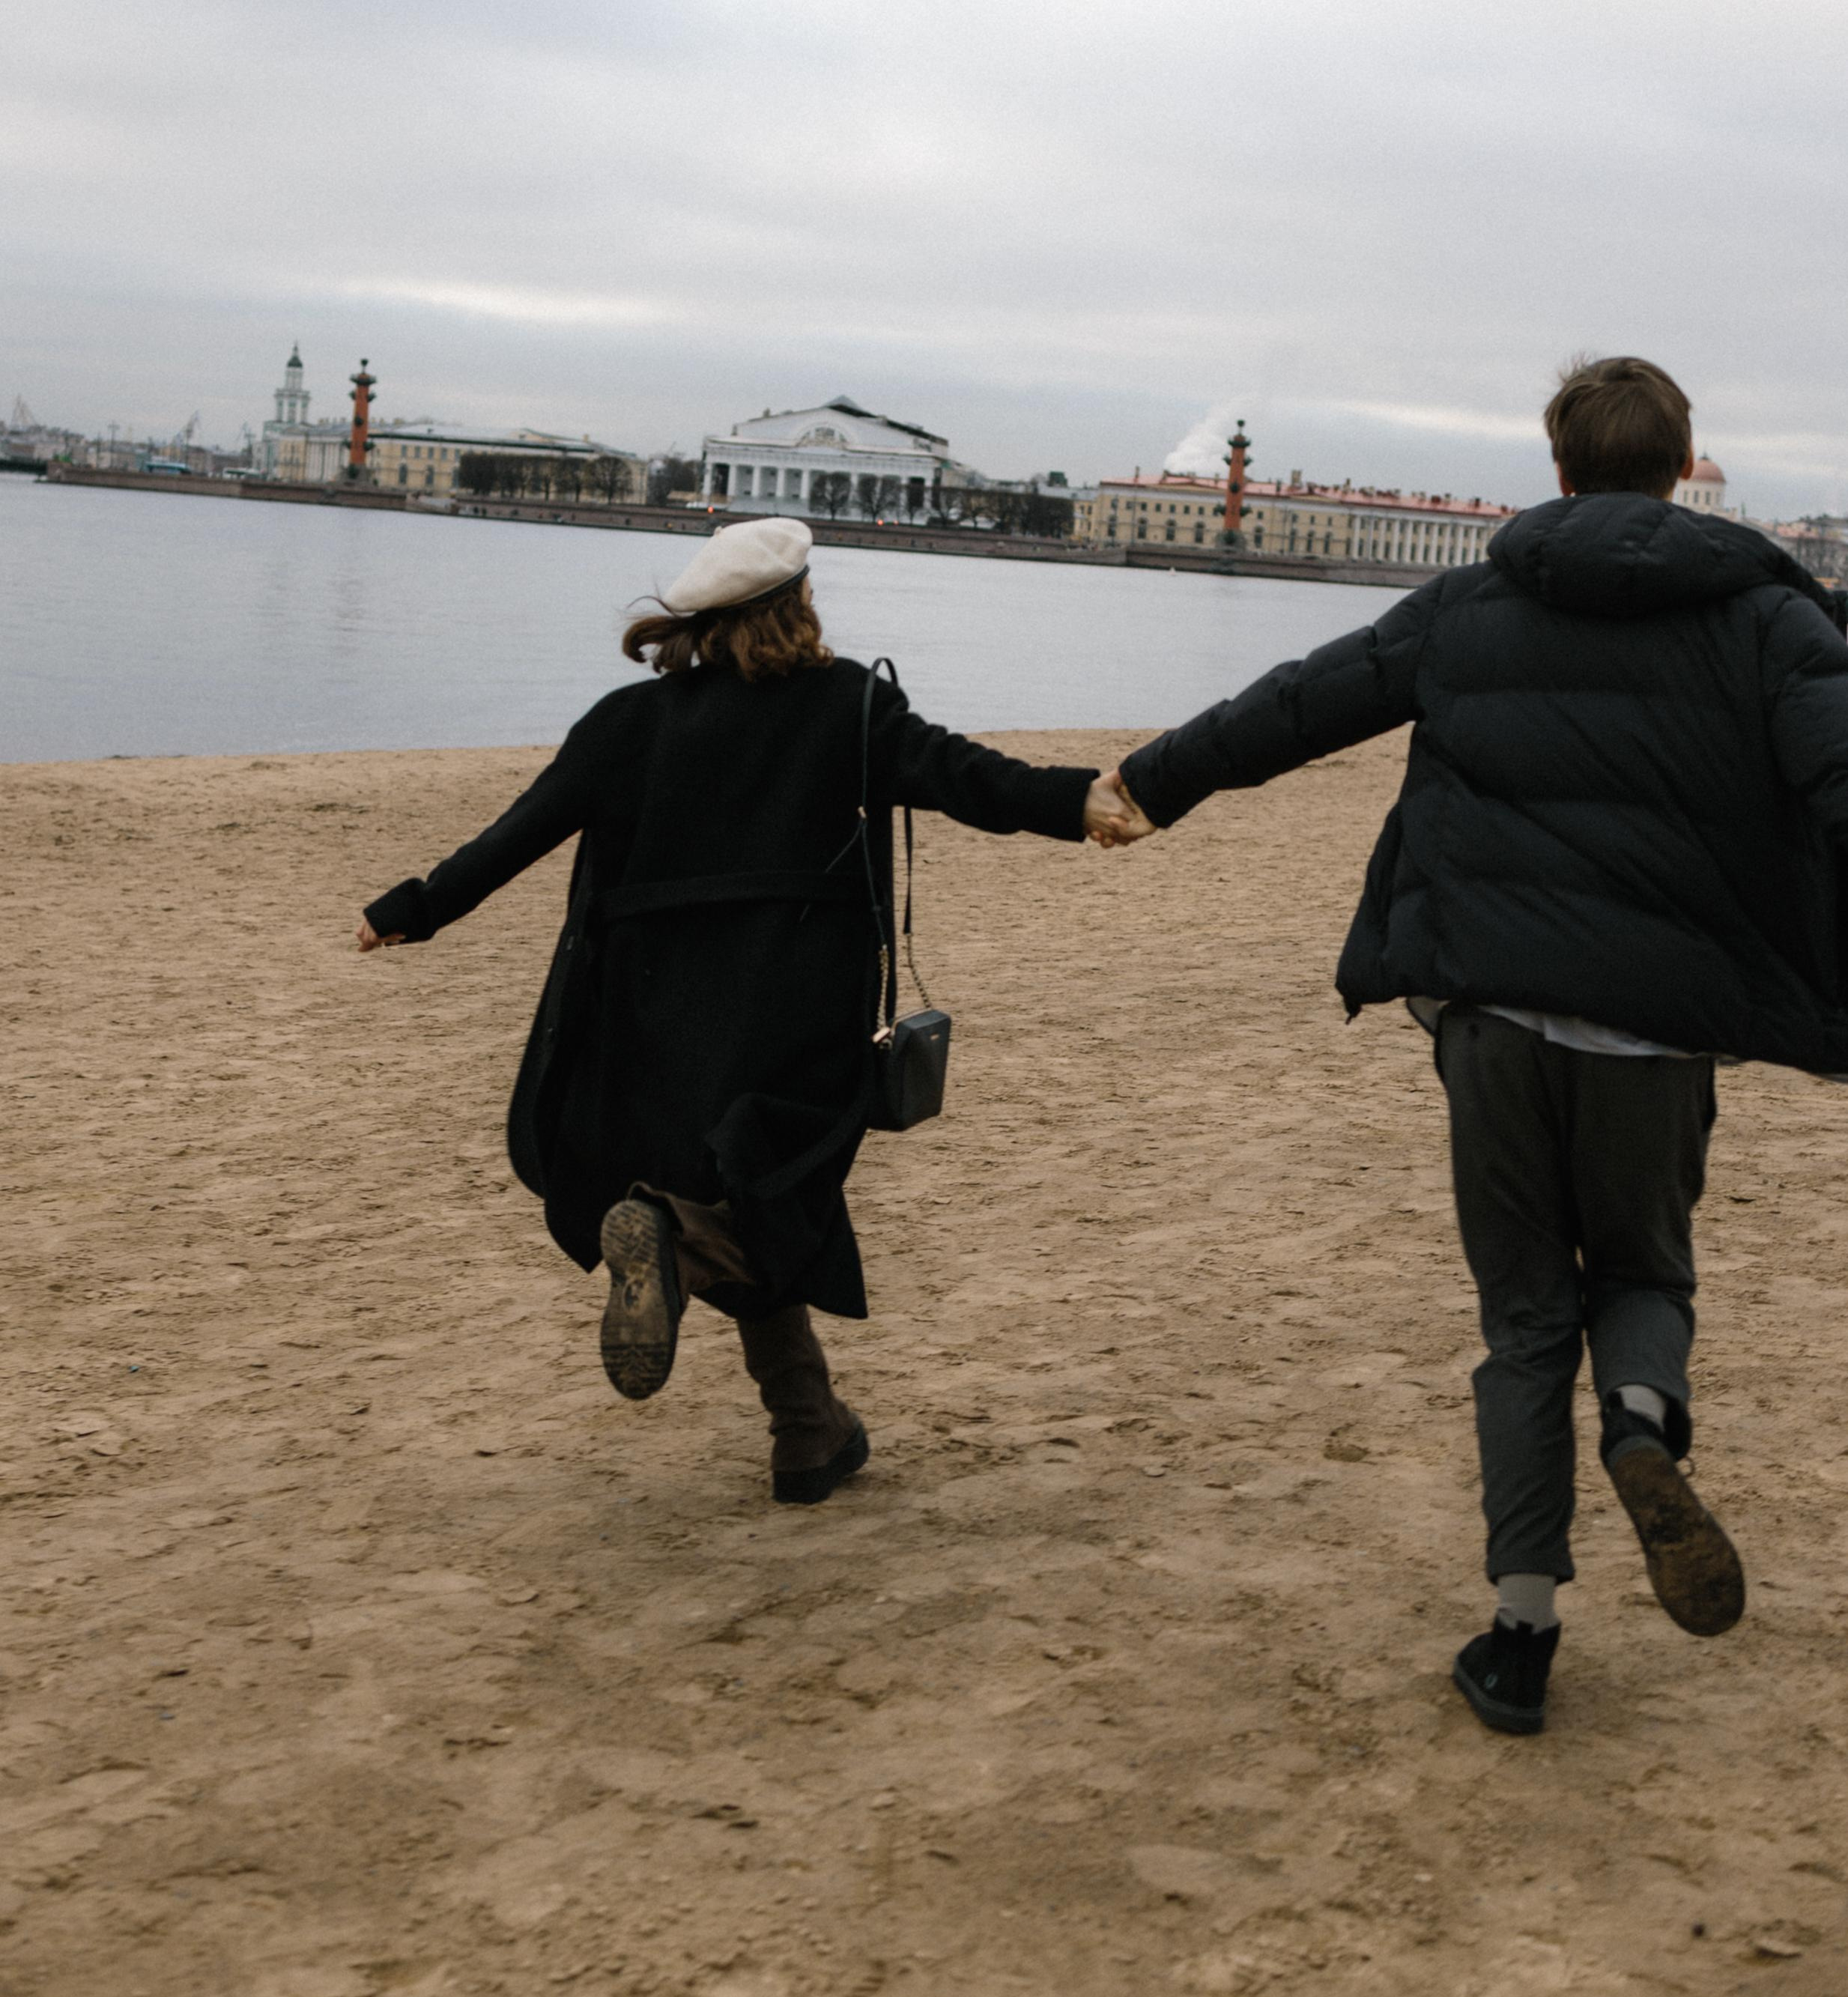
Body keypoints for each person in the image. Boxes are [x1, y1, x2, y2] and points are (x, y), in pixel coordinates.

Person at [1095, 358, 1848, 1733]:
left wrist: (1152, 780)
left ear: (1557, 467)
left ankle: (1520, 1635)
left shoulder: (1473, 602)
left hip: (1491, 1014)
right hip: (1661, 1027)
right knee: (1643, 1269)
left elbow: (1305, 701)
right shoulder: (1766, 621)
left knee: (1518, 1323)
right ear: (1683, 470)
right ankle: (1639, 1419)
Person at [359, 516, 1134, 1504]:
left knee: (759, 1199)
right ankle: (755, 1359)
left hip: (648, 1019)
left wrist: (411, 910)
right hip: (795, 1016)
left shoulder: (624, 725)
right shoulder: (848, 707)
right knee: (770, 1196)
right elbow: (969, 779)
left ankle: (799, 1417)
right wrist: (1082, 803)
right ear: (798, 607)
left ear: (697, 627)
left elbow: (515, 837)